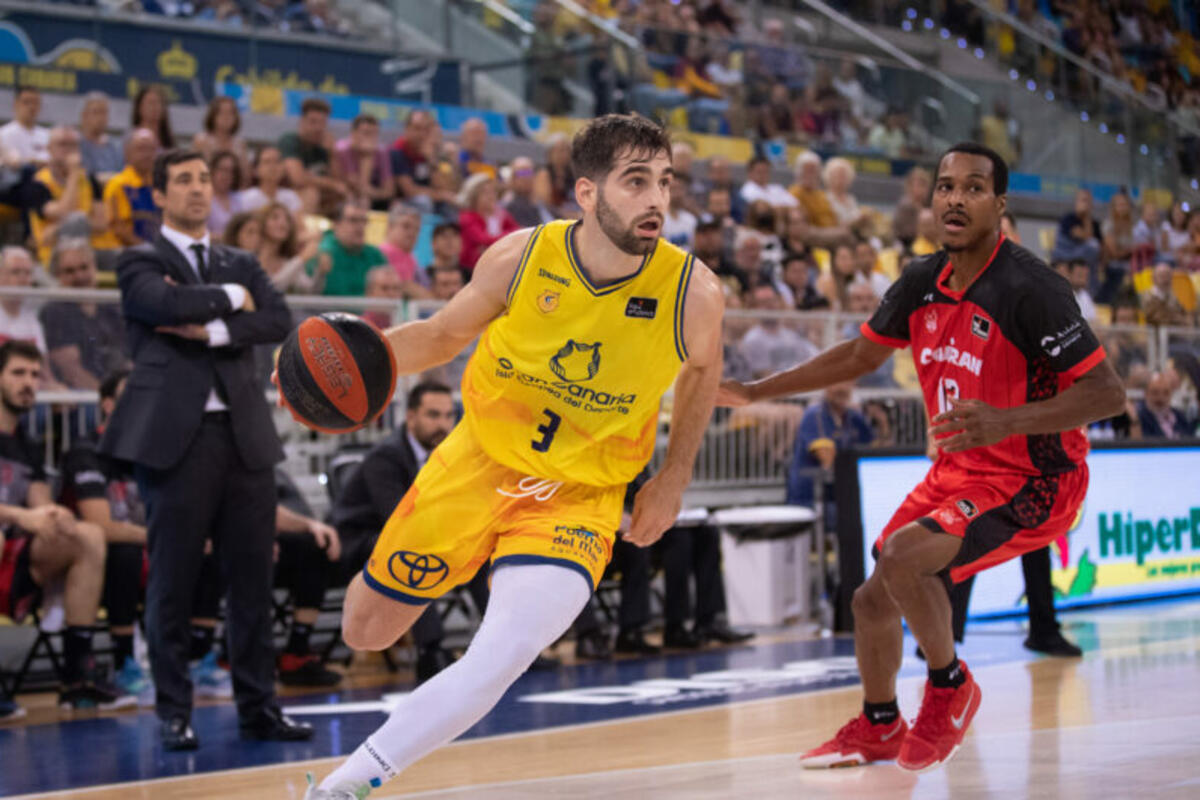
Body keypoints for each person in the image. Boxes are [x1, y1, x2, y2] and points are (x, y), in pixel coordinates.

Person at [302, 113, 724, 798]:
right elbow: (441, 335)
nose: (656, 200)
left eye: (665, 182)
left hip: (579, 496)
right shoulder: (521, 257)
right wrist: (346, 364)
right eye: (636, 181)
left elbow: (704, 371)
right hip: (476, 463)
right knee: (365, 631)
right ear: (587, 192)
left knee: (501, 655)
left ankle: (346, 785)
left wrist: (674, 476)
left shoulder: (693, 293)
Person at [718, 143, 1125, 772]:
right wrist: (755, 391)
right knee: (869, 600)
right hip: (958, 470)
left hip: (1035, 479)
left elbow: (1107, 394)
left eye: (973, 188)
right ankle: (880, 722)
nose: (955, 199)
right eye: (945, 186)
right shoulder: (919, 280)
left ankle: (950, 685)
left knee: (906, 556)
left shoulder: (1033, 288)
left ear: (999, 204)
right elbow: (860, 355)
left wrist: (1005, 421)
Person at [100, 148, 310, 751]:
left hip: (244, 436)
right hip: (176, 440)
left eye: (203, 179)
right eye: (184, 180)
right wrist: (235, 298)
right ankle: (173, 711)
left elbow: (278, 318)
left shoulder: (239, 259)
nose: (197, 189)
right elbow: (161, 305)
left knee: (252, 581)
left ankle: (259, 708)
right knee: (173, 579)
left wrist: (214, 324)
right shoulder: (139, 259)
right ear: (160, 194)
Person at [0, 341, 134, 719]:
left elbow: (40, 502)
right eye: (17, 373)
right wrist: (19, 515)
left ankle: (77, 678)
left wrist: (56, 515)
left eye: (34, 374)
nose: (29, 383)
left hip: (16, 554)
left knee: (87, 535)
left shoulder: (26, 445)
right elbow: (25, 515)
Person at [329, 382, 469, 682]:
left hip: (406, 537)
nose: (443, 424)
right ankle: (430, 652)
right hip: (357, 542)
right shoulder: (386, 456)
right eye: (433, 415)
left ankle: (503, 646)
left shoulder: (448, 456)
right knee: (412, 550)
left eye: (448, 415)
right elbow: (397, 516)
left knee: (478, 551)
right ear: (411, 417)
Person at [40, 240, 128, 389]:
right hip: (80, 399)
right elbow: (71, 372)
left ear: (95, 267)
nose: (79, 276)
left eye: (84, 267)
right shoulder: (55, 312)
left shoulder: (112, 307)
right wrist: (106, 397)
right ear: (57, 276)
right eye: (69, 271)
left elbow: (128, 359)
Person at [786, 382, 875, 525]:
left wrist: (882, 422)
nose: (841, 388)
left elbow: (875, 453)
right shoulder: (815, 415)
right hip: (812, 498)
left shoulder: (854, 417)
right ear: (826, 386)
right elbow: (828, 461)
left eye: (846, 382)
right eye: (836, 383)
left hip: (840, 495)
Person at [27, 126, 112, 264]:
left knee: (131, 256)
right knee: (77, 219)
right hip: (54, 253)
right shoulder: (37, 183)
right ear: (49, 149)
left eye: (73, 145)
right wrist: (73, 174)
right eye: (62, 144)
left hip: (90, 249)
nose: (68, 150)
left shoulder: (90, 179)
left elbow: (101, 224)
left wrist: (57, 229)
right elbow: (64, 213)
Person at [278, 97, 344, 214]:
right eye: (313, 122)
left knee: (340, 195)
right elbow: (297, 179)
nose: (318, 128)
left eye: (322, 123)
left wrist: (332, 154)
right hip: (281, 198)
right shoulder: (289, 141)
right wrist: (331, 184)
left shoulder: (323, 148)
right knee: (311, 193)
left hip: (313, 202)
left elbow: (340, 183)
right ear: (302, 122)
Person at [309, 202, 388, 297]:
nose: (360, 226)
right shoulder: (322, 252)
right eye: (353, 220)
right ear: (336, 224)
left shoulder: (375, 255)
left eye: (364, 221)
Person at [103, 128, 160, 246]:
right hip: (127, 250)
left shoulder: (161, 185)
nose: (148, 155)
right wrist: (149, 249)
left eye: (152, 149)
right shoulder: (118, 184)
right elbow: (120, 230)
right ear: (127, 153)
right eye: (141, 149)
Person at [256, 202, 324, 294]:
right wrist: (301, 259)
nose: (282, 223)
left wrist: (320, 271)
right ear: (262, 223)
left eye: (287, 219)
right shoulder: (253, 257)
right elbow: (270, 287)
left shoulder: (287, 260)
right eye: (275, 217)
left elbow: (309, 290)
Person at [457, 174, 519, 271]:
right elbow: (483, 240)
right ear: (473, 196)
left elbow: (517, 231)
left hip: (498, 265)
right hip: (472, 269)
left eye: (493, 192)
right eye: (485, 192)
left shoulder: (501, 214)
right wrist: (509, 237)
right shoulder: (467, 217)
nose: (491, 196)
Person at [333, 114, 394, 211]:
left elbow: (389, 190)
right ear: (353, 134)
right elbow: (357, 187)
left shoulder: (381, 151)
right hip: (345, 196)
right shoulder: (342, 150)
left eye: (374, 134)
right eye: (366, 133)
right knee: (360, 200)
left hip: (372, 198)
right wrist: (367, 157)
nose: (371, 138)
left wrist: (373, 192)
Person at [0, 246, 48, 355]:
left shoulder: (33, 317)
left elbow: (42, 360)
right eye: (15, 272)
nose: (23, 279)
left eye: (28, 273)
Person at [192, 97, 250, 182]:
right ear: (213, 115)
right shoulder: (201, 141)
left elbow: (245, 176)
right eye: (222, 113)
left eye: (230, 113)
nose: (226, 117)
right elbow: (193, 170)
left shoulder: (240, 144)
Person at [237, 145, 303, 215]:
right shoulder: (246, 198)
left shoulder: (291, 197)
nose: (273, 166)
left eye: (277, 161)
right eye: (267, 162)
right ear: (256, 169)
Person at [1051, 188, 1102, 269]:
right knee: (1093, 245)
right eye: (1083, 200)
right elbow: (1083, 236)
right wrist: (1086, 217)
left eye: (1088, 202)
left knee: (1095, 247)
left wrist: (1087, 217)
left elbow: (1100, 245)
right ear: (1076, 202)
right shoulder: (1068, 218)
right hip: (1065, 254)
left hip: (1084, 259)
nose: (1086, 204)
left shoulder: (1094, 224)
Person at [78, 92, 123, 181]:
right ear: (84, 116)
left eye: (104, 113)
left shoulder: (116, 147)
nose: (101, 118)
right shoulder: (76, 144)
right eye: (96, 112)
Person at [0, 86, 49, 166]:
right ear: (16, 104)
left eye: (35, 103)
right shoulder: (3, 134)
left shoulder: (48, 135)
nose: (32, 107)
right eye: (26, 102)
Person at [1137, 371, 1192, 439]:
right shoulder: (1140, 418)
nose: (1160, 398)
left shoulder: (1179, 416)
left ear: (1171, 394)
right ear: (1146, 394)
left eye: (1166, 393)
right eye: (1155, 392)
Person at [504, 156, 554, 228]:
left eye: (529, 172)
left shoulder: (538, 200)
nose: (526, 178)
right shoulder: (511, 204)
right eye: (522, 173)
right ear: (513, 178)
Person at [207, 150, 243, 236]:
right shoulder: (204, 199)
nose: (226, 175)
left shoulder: (239, 198)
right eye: (222, 169)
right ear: (212, 171)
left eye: (231, 171)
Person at [130, 85, 175, 149]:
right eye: (150, 103)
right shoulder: (131, 139)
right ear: (139, 108)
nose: (155, 107)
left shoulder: (169, 142)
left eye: (159, 103)